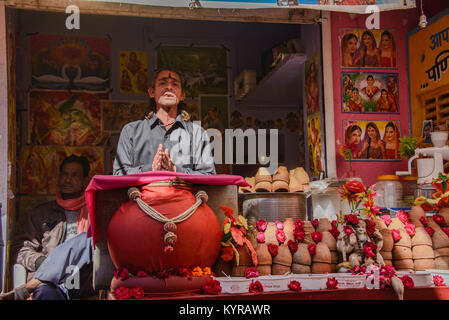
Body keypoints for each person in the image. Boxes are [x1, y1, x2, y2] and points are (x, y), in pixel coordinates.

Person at [2, 155, 94, 300]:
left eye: (74, 175)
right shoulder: (41, 213)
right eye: (64, 174)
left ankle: (30, 285)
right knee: (45, 293)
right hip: (50, 283)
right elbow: (20, 248)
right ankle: (42, 279)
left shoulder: (93, 212)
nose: (68, 180)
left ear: (84, 180)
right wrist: (41, 262)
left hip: (81, 278)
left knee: (86, 239)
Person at [113, 69, 215, 175]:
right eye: (163, 83)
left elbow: (208, 175)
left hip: (184, 192)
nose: (169, 87)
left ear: (182, 96)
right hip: (141, 192)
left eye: (175, 84)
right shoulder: (131, 131)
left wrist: (176, 171)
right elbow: (119, 174)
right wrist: (150, 169)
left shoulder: (197, 133)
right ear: (152, 92)